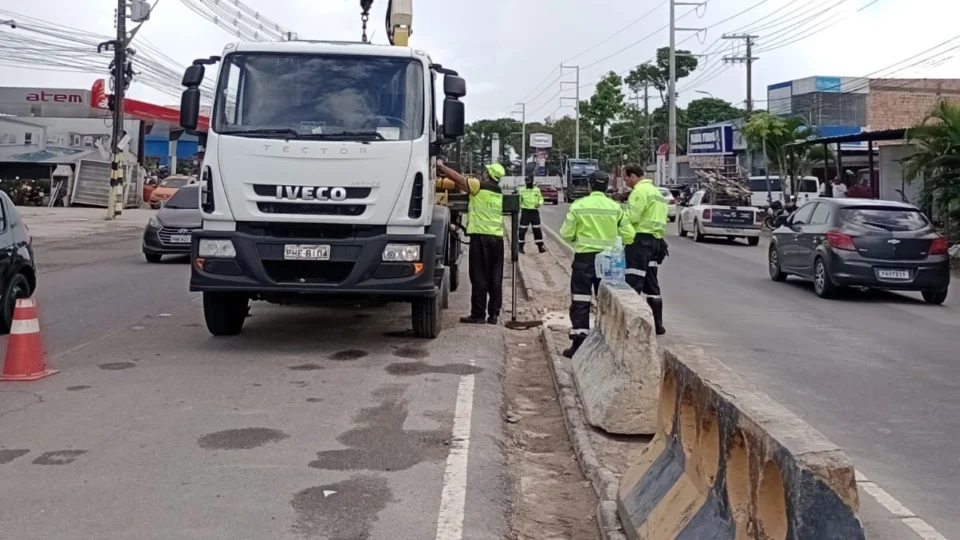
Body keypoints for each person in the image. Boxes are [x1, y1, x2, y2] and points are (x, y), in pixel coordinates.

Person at [559, 171, 636, 358]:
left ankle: (579, 343)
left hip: (584, 259)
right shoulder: (615, 208)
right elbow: (629, 235)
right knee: (606, 300)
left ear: (589, 185)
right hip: (608, 261)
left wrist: (580, 239)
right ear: (606, 185)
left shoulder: (579, 206)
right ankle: (606, 341)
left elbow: (566, 233)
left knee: (581, 300)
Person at [436, 160, 505, 325]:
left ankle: (478, 314)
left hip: (481, 239)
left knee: (479, 276)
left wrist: (441, 167)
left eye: (485, 171)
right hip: (497, 239)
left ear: (488, 175)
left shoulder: (478, 186)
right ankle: (494, 314)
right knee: (495, 277)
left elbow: (458, 179)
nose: (483, 173)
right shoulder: (498, 192)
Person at [623, 164, 669, 335]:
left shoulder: (640, 192)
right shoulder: (657, 193)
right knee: (652, 283)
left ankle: (631, 325)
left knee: (633, 282)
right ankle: (658, 325)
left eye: (626, 178)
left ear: (633, 176)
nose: (626, 182)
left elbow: (632, 216)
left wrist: (620, 220)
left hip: (640, 241)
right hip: (656, 242)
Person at [517, 174, 546, 254]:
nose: (527, 182)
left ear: (532, 181)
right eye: (526, 181)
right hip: (525, 212)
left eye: (528, 181)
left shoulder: (537, 190)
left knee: (537, 230)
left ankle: (540, 247)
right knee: (522, 230)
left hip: (534, 212)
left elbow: (541, 198)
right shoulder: (522, 190)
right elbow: (519, 200)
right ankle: (520, 247)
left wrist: (539, 203)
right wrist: (519, 207)